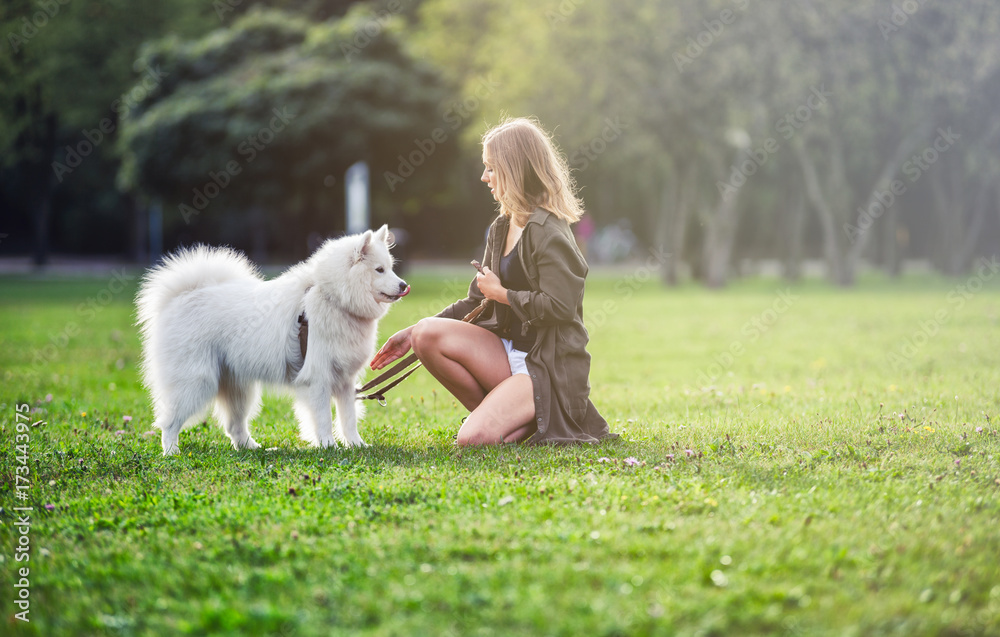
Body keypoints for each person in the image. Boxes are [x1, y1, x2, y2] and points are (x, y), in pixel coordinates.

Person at [371, 117, 613, 446]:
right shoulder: (501, 227)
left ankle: (528, 419)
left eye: (491, 168)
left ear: (515, 169)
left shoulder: (549, 231)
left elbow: (561, 308)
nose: (484, 177)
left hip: (544, 367)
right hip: (505, 351)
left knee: (470, 441)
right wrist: (411, 331)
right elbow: (475, 301)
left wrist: (504, 295)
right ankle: (513, 419)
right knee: (426, 333)